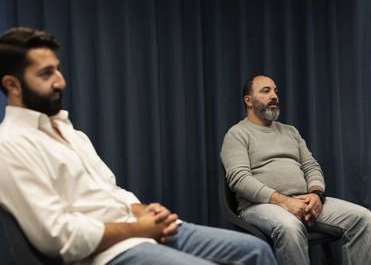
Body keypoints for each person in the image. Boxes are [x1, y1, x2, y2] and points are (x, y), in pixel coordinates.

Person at [0, 27, 277, 265]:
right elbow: (58, 237)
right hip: (105, 253)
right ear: (12, 84)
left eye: (58, 69)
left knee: (257, 250)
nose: (61, 81)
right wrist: (138, 230)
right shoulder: (10, 146)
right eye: (46, 74)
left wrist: (143, 211)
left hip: (139, 229)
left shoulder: (68, 131)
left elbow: (110, 192)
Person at [220, 75, 371, 265]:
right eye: (266, 91)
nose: (274, 96)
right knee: (289, 226)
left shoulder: (290, 132)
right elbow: (240, 180)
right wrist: (284, 202)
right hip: (259, 207)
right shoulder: (237, 134)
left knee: (363, 218)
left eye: (276, 91)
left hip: (303, 200)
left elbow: (311, 166)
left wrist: (316, 195)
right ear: (248, 100)